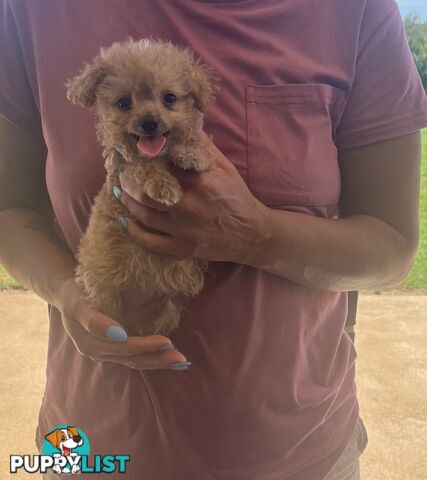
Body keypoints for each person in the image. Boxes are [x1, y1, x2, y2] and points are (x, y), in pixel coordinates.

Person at [0, 0, 426, 479]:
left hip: (298, 453)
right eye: (125, 103)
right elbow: (11, 210)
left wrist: (257, 235)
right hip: (92, 448)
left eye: (167, 101)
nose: (148, 115)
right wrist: (70, 295)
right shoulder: (33, 11)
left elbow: (393, 247)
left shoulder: (355, 10)